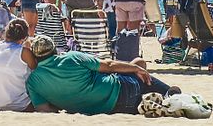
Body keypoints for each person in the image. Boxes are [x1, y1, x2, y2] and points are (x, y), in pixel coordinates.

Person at [22, 33, 178, 115]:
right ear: (54, 49)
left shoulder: (33, 81)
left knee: (138, 65)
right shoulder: (72, 57)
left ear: (35, 56)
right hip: (122, 90)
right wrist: (136, 69)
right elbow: (109, 65)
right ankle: (171, 94)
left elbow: (44, 110)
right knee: (139, 67)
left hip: (116, 109)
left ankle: (163, 97)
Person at [0, 16, 33, 112]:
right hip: (21, 104)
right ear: (25, 37)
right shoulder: (23, 52)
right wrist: (29, 48)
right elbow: (36, 68)